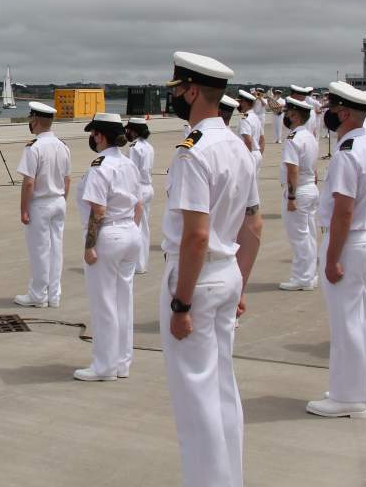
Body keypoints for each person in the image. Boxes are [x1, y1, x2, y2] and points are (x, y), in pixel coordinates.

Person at [160, 52, 257, 487]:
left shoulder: (192, 152)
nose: (175, 98)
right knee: (222, 389)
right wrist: (241, 285)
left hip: (197, 279)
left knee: (196, 398)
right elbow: (253, 224)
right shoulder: (238, 146)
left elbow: (195, 235)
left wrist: (181, 302)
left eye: (178, 90)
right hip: (228, 272)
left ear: (193, 90)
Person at [306, 82, 366, 419]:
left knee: (347, 323)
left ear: (346, 113)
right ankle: (359, 390)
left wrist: (332, 257)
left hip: (350, 242)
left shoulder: (348, 152)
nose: (328, 114)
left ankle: (348, 397)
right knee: (361, 320)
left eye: (333, 108)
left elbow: (343, 211)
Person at [75, 112, 141, 381]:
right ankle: (122, 362)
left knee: (104, 304)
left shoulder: (100, 167)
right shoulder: (128, 164)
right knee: (124, 301)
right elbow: (138, 204)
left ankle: (104, 366)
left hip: (109, 235)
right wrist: (131, 230)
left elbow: (98, 210)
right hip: (130, 232)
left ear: (100, 135)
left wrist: (90, 245)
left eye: (93, 134)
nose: (92, 139)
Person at [13, 101, 70, 309]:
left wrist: (23, 209)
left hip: (40, 203)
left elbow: (29, 182)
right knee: (56, 250)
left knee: (40, 251)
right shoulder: (63, 146)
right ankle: (54, 295)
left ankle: (38, 295)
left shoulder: (34, 148)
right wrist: (63, 200)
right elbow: (67, 179)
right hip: (58, 201)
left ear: (35, 120)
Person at [279, 97, 320, 291]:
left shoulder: (293, 138)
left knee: (299, 237)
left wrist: (292, 197)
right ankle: (310, 275)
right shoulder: (309, 136)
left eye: (288, 113)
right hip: (311, 187)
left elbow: (292, 170)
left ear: (294, 115)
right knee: (309, 235)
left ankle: (302, 277)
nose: (285, 116)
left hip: (300, 190)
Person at [125, 117, 155, 274]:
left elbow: (131, 170)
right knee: (145, 227)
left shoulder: (134, 147)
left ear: (134, 130)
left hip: (139, 189)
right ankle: (142, 263)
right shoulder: (149, 147)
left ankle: (138, 264)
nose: (127, 132)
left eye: (129, 129)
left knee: (136, 227)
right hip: (148, 187)